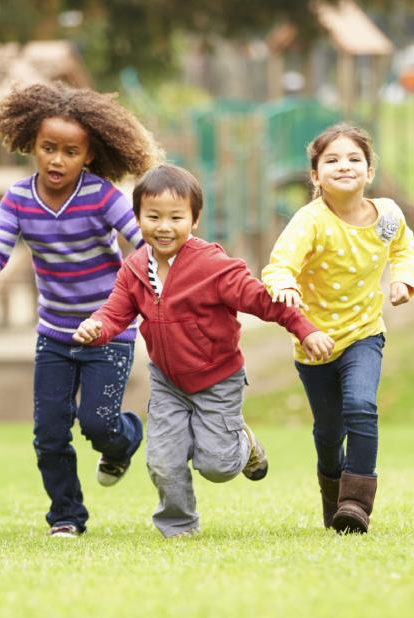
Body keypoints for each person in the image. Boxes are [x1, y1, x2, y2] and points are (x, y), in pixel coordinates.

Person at [74, 165, 334, 537]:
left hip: (217, 379)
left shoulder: (212, 266)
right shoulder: (133, 270)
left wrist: (304, 329)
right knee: (162, 461)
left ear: (194, 220)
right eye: (153, 217)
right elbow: (115, 313)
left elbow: (264, 301)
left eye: (176, 217)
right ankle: (178, 525)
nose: (164, 226)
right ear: (137, 219)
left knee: (218, 465)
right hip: (167, 382)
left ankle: (242, 444)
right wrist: (96, 326)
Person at [0, 82, 160, 538]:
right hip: (55, 337)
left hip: (108, 331)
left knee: (99, 425)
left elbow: (142, 241)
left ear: (88, 155)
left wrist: (168, 271)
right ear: (31, 145)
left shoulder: (102, 196)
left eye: (70, 151)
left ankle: (126, 438)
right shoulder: (18, 199)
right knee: (49, 433)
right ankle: (66, 516)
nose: (57, 160)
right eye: (48, 148)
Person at [262, 124, 414, 534]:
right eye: (331, 160)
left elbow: (402, 244)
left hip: (364, 334)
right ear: (315, 176)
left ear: (369, 172)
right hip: (314, 344)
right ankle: (332, 495)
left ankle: (356, 503)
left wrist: (402, 278)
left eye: (354, 159)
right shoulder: (309, 221)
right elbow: (280, 264)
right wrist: (285, 286)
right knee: (329, 433)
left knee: (361, 407)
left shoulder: (386, 216)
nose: (344, 166)